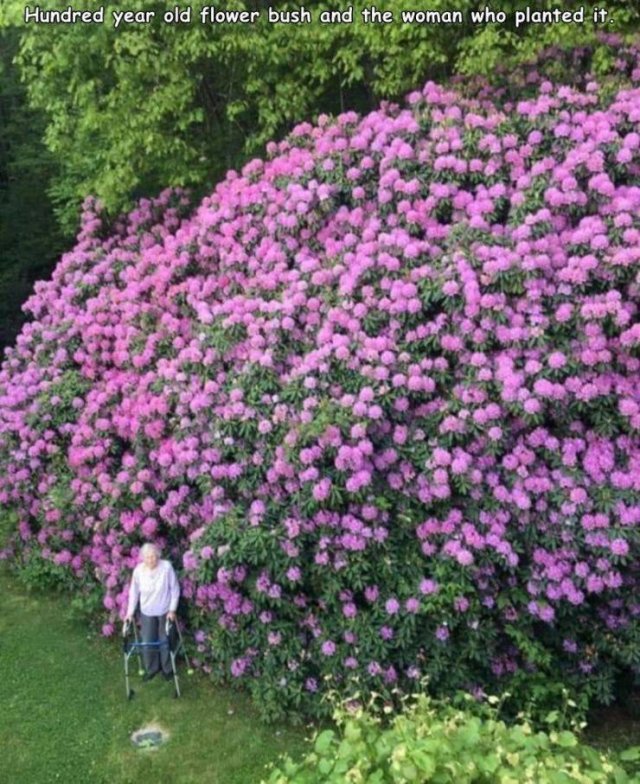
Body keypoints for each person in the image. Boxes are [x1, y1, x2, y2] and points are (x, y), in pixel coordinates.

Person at [125, 542, 180, 681]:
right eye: (148, 557)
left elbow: (175, 589)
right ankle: (152, 669)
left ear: (158, 556)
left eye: (154, 556)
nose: (151, 560)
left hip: (164, 611)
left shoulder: (166, 567)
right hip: (147, 611)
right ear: (143, 558)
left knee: (165, 640)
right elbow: (134, 593)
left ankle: (167, 669)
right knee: (148, 641)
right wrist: (130, 613)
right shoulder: (138, 571)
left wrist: (172, 610)